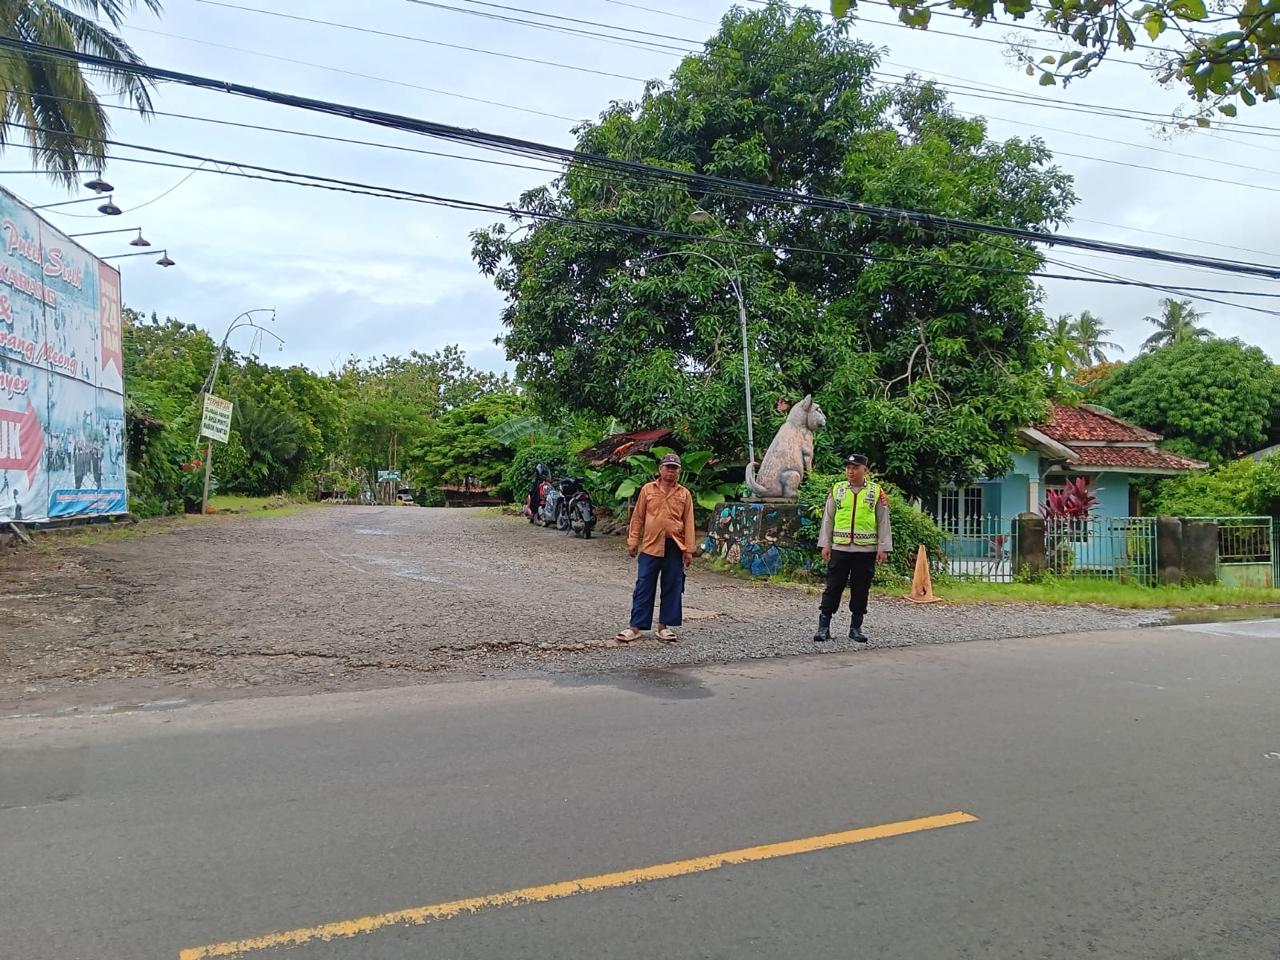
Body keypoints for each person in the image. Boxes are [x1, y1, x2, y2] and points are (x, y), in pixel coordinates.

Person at [616, 452, 696, 644]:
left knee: (672, 585)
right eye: (668, 467)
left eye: (674, 468)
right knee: (644, 584)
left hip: (675, 545)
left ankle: (664, 627)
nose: (671, 471)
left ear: (678, 471)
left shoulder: (684, 494)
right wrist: (633, 541)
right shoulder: (647, 490)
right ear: (660, 469)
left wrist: (689, 550)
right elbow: (638, 517)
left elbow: (688, 522)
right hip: (650, 545)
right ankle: (635, 627)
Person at [815, 454, 892, 643]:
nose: (851, 471)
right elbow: (828, 519)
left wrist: (883, 547)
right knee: (833, 587)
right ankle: (823, 627)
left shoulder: (876, 492)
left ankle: (856, 628)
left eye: (855, 468)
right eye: (848, 467)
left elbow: (883, 521)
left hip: (865, 550)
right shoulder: (837, 489)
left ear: (865, 470)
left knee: (861, 589)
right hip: (840, 548)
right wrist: (825, 543)